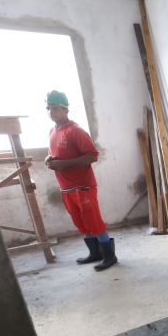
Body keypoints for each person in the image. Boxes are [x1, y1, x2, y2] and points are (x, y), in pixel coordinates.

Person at [44, 90, 117, 271]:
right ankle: (95, 253)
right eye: (48, 108)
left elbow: (92, 156)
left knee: (94, 222)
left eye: (54, 108)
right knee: (81, 223)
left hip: (82, 186)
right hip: (66, 187)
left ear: (65, 110)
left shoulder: (75, 131)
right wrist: (49, 158)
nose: (50, 112)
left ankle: (110, 256)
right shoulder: (53, 131)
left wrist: (64, 164)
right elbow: (57, 153)